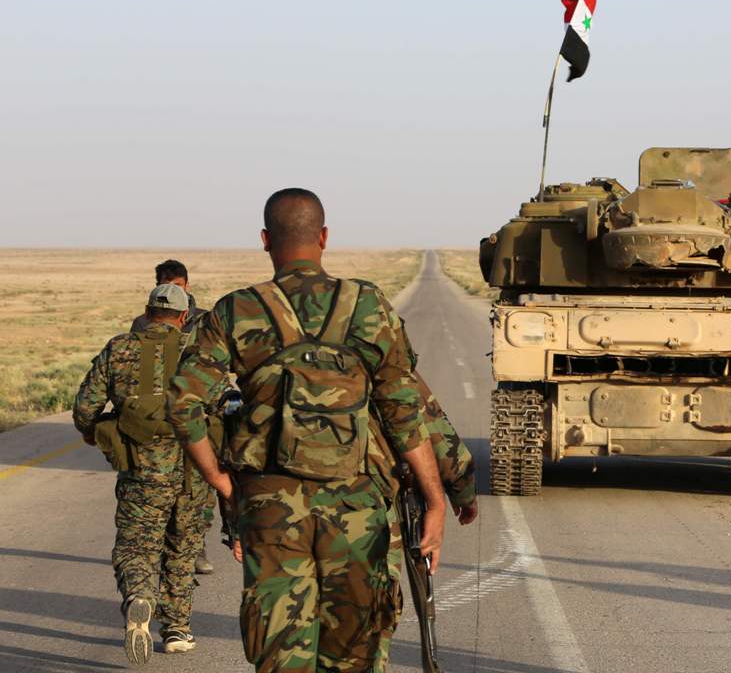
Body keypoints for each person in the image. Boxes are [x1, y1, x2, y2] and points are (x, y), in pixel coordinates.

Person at [167, 187, 478, 672]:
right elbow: (404, 411)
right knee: (356, 650)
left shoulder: (237, 310)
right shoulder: (369, 306)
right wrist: (437, 501)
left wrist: (223, 483)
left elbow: (182, 402)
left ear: (266, 240)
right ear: (325, 237)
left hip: (271, 508)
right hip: (358, 505)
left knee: (281, 650)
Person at [73, 284, 230, 665]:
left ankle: (140, 596)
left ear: (146, 313)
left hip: (142, 471)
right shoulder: (198, 354)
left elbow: (85, 406)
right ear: (182, 317)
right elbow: (225, 405)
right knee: (183, 546)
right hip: (195, 468)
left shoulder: (120, 348)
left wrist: (93, 433)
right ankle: (176, 629)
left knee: (136, 545)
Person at [130, 258, 219, 575]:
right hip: (157, 417)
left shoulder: (204, 320)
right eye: (164, 285)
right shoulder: (142, 324)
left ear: (187, 285)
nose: (170, 290)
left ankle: (195, 546)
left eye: (177, 285)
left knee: (199, 492)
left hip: (194, 411)